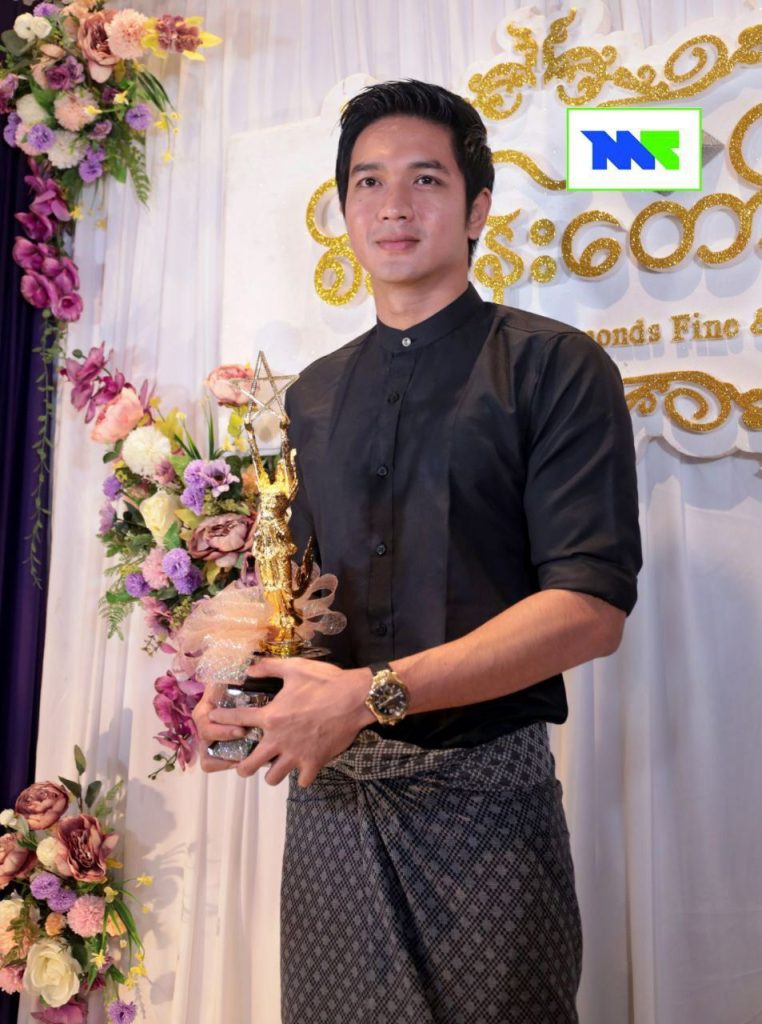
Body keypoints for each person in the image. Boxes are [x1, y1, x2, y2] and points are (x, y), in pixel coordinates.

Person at [194, 79, 642, 1023]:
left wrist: (369, 695)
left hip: (487, 813)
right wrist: (233, 681)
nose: (392, 204)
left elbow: (590, 610)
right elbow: (292, 593)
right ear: (343, 210)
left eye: (425, 179)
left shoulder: (554, 367)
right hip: (332, 812)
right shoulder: (312, 395)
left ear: (477, 209)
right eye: (367, 182)